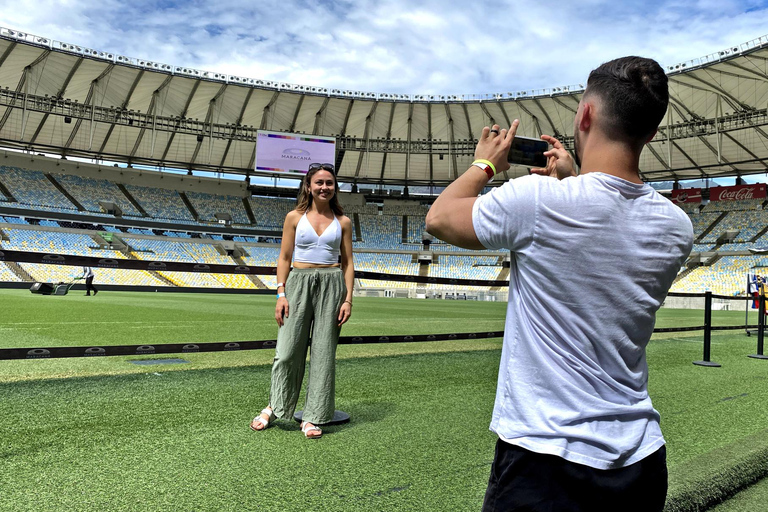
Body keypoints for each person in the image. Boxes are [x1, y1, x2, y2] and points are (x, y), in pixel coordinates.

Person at [425, 57, 693, 511]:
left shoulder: (536, 201)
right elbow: (605, 226)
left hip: (543, 460)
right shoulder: (677, 227)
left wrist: (485, 165)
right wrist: (576, 178)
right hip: (640, 459)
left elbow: (439, 218)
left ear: (585, 115)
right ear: (650, 132)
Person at [250, 163, 354, 439]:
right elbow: (284, 258)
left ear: (335, 188)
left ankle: (313, 416)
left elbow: (348, 263)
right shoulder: (294, 217)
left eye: (329, 183)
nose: (324, 187)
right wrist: (280, 294)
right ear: (308, 186)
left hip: (332, 285)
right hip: (298, 282)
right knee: (286, 351)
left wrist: (348, 300)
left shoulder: (343, 222)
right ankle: (276, 406)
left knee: (323, 354)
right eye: (319, 182)